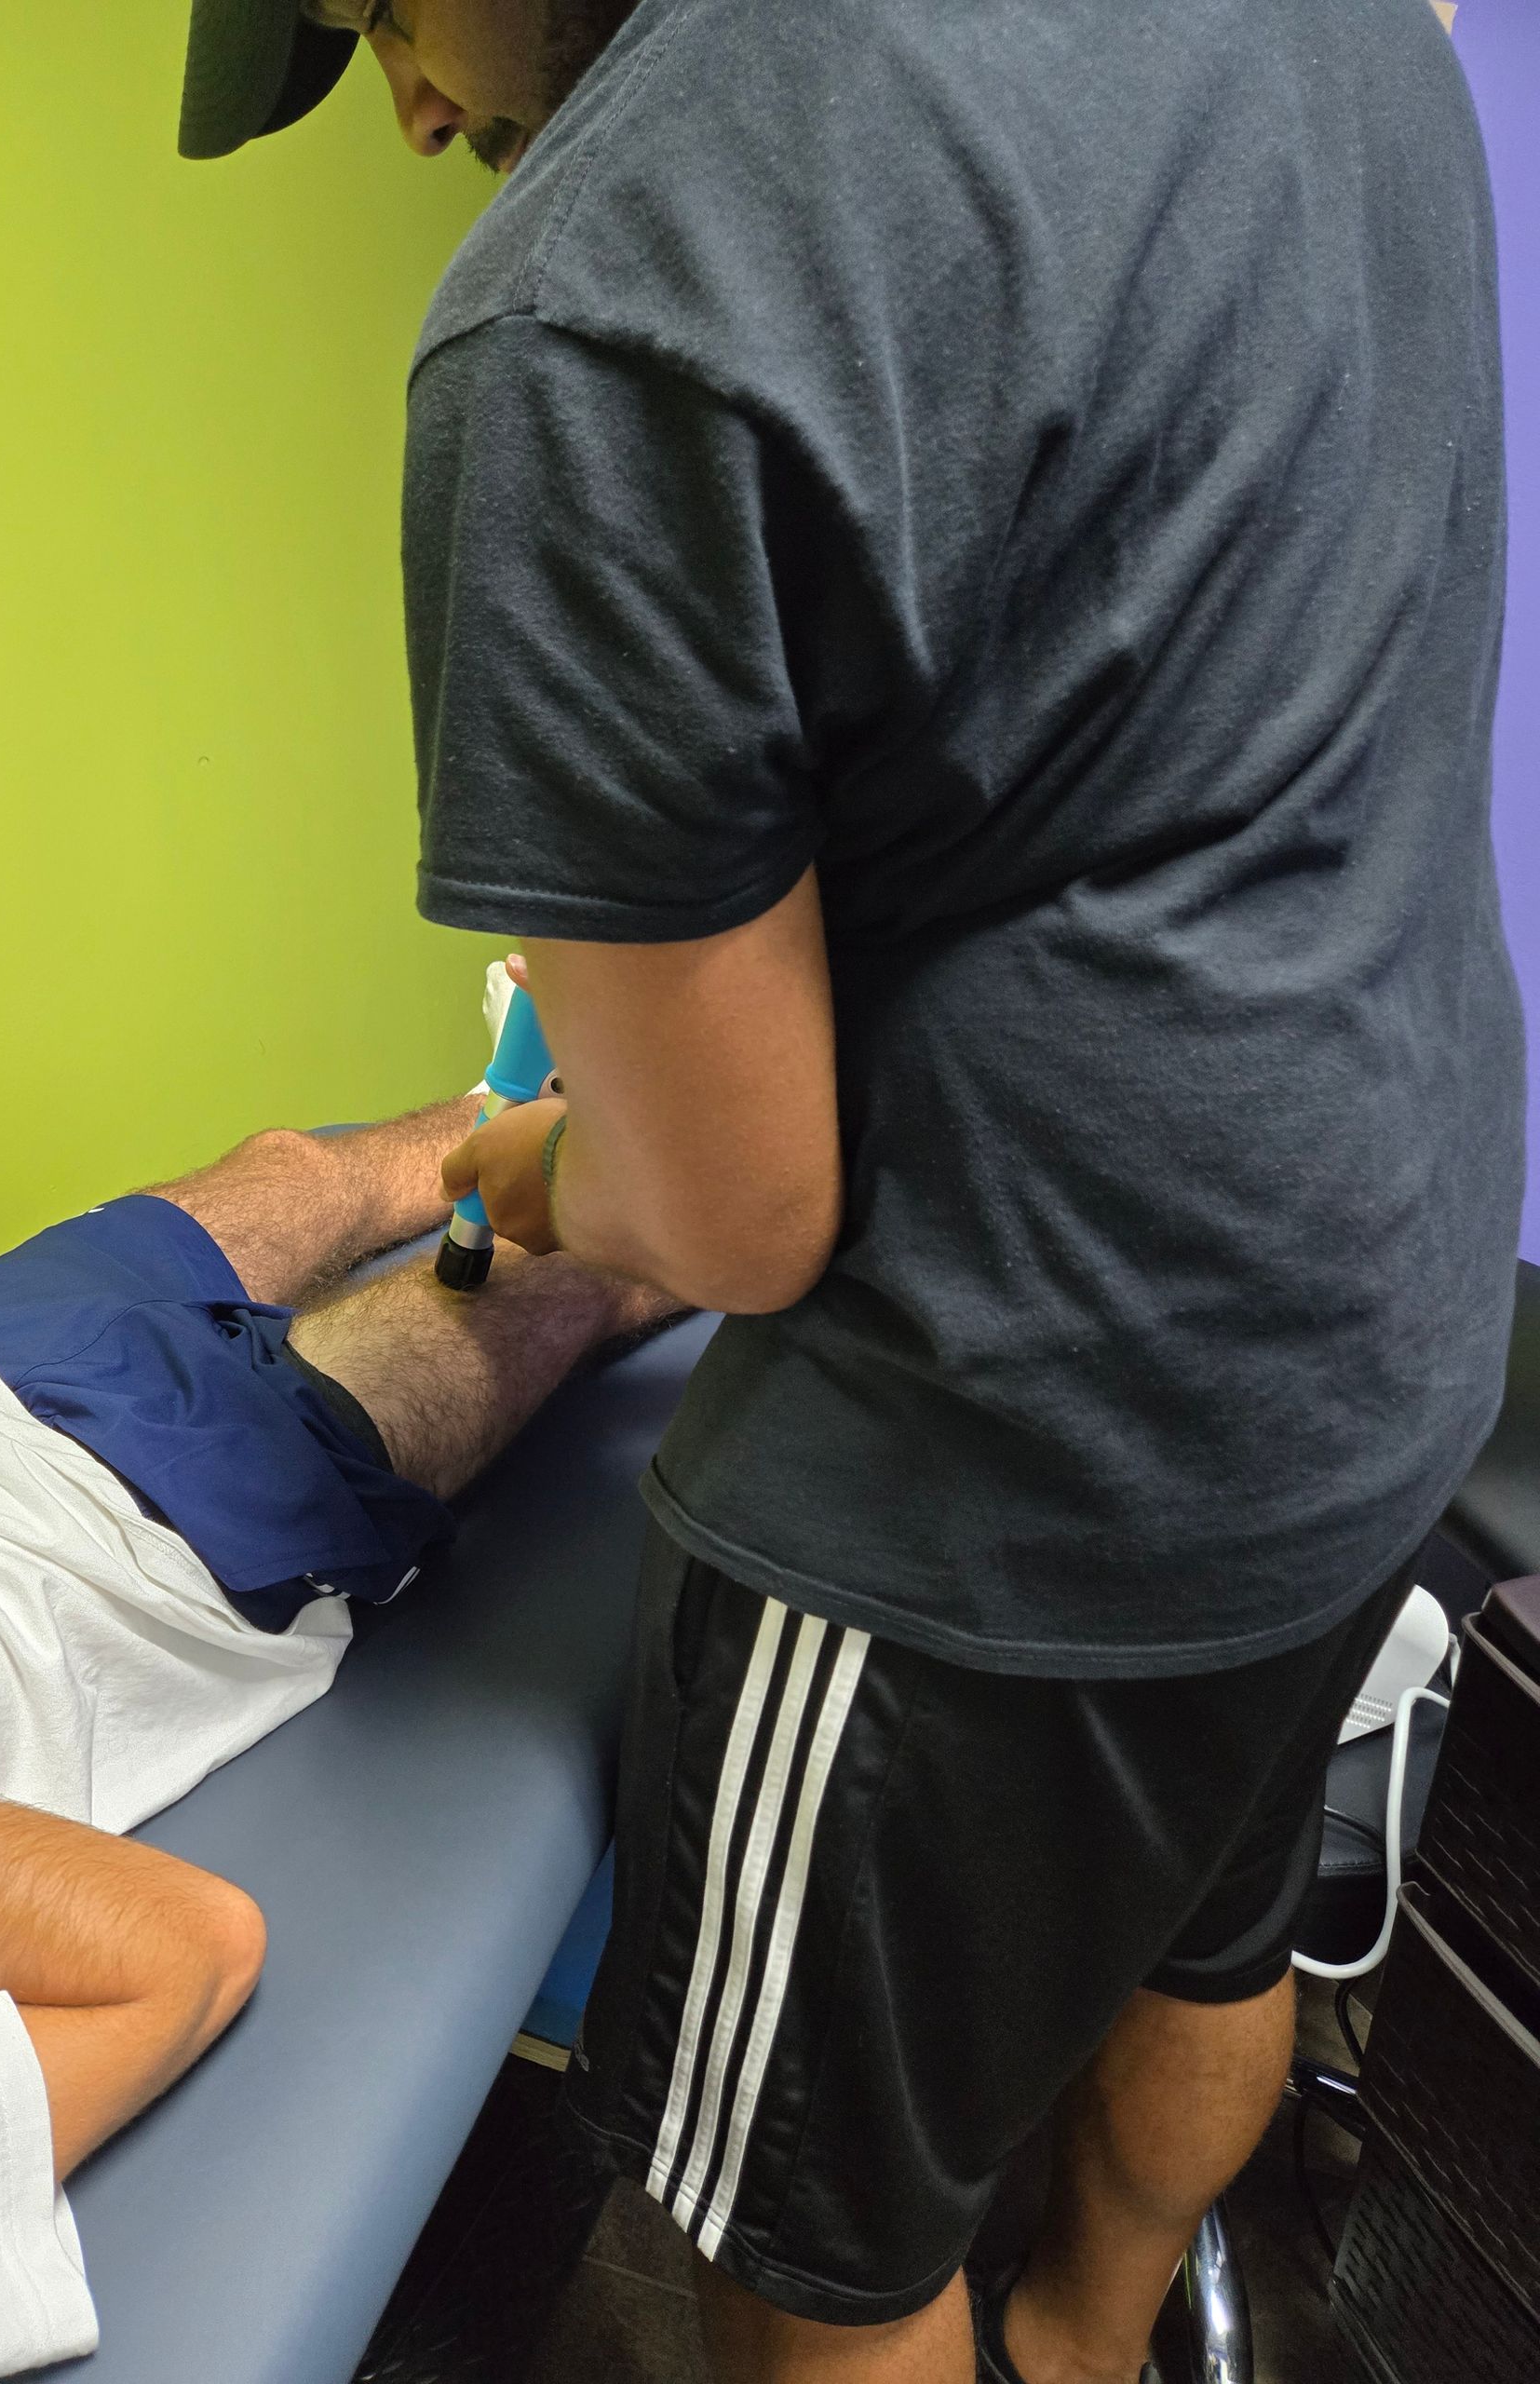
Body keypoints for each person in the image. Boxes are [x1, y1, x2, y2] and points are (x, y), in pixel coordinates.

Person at [177, 3, 1526, 2380]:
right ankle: (1092, 2350)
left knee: (809, 2250)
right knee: (1205, 1946)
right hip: (1385, 1308)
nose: (400, 104)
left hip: (1015, 1466)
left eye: (372, 7)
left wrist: (524, 1161)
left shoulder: (602, 299)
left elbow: (728, 1224)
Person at [0, 1068, 673, 2384]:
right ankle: (825, 1148)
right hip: (136, 1541)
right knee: (575, 1271)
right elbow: (181, 1952)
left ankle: (556, 1082)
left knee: (310, 1165)